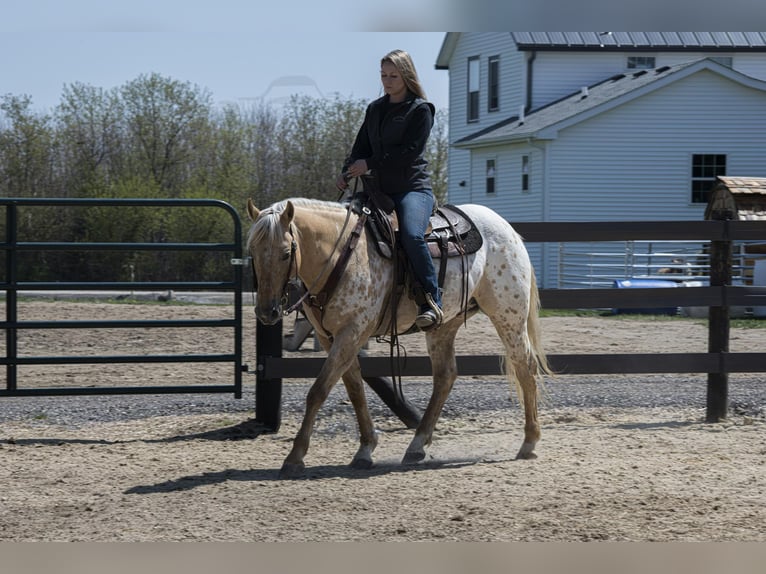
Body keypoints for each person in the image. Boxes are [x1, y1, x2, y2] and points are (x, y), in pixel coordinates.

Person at [336, 49, 442, 330]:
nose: (387, 81)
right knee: (339, 225)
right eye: (383, 75)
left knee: (411, 235)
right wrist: (347, 171)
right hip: (377, 190)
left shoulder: (420, 110)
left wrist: (368, 163)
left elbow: (409, 153)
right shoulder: (375, 109)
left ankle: (431, 300)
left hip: (411, 188)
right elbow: (360, 147)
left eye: (393, 75)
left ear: (406, 75)